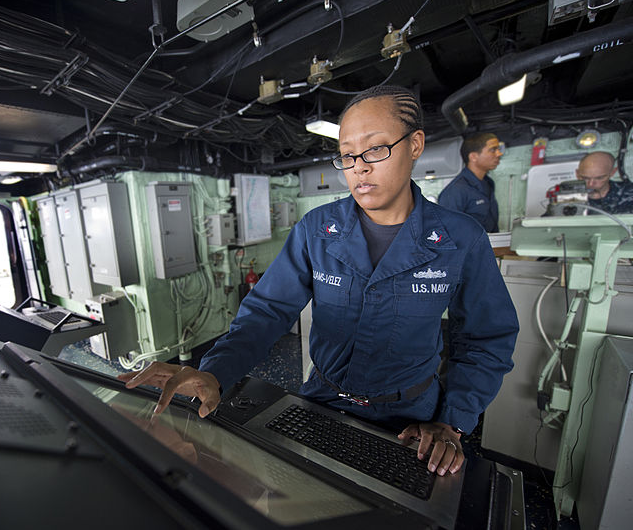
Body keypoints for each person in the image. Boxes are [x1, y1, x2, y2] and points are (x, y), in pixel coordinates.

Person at [120, 85, 519, 477]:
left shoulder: (461, 238)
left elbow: (486, 338)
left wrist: (452, 422)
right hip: (321, 402)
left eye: (376, 149)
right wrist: (215, 371)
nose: (359, 166)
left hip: (411, 419)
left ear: (415, 145)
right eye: (347, 155)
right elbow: (267, 310)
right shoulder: (317, 230)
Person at [437, 133, 503, 232]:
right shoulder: (455, 191)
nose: (499, 154)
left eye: (498, 149)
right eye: (493, 150)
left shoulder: (489, 183)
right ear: (473, 157)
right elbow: (449, 233)